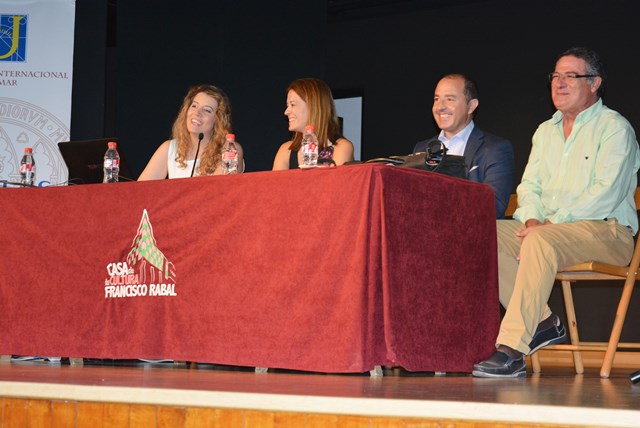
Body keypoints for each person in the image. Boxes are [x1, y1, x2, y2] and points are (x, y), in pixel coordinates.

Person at [472, 47, 640, 378]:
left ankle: (513, 348)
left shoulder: (614, 128)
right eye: (555, 76)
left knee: (541, 241)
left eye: (571, 76)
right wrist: (533, 219)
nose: (559, 83)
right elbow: (528, 187)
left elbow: (604, 194)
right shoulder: (545, 132)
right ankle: (544, 322)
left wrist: (548, 224)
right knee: (482, 235)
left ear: (594, 83)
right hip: (548, 230)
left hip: (607, 232)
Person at [414, 74, 514, 218]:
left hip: (470, 232)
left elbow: (493, 207)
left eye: (449, 99)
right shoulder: (422, 149)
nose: (440, 107)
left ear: (471, 106)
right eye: (437, 99)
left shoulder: (494, 149)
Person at [138, 84, 244, 180]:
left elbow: (216, 191)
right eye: (194, 106)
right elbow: (140, 191)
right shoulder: (169, 148)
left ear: (218, 120)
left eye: (207, 110)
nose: (197, 113)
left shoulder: (229, 150)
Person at [273, 78, 354, 170]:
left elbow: (334, 183)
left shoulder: (341, 147)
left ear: (313, 107)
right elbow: (275, 184)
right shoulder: (286, 150)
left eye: (293, 105)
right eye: (287, 106)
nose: (286, 112)